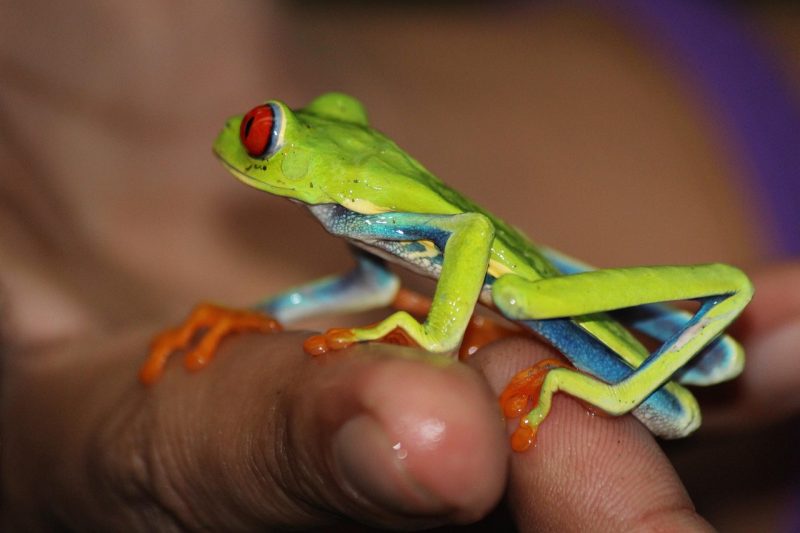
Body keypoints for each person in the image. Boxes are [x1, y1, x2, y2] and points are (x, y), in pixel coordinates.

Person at [2, 2, 798, 530]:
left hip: (573, 312)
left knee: (546, 292)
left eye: (259, 134)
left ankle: (631, 375)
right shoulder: (352, 214)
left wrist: (438, 334)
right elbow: (370, 285)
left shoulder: (372, 205)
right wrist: (261, 315)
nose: (244, 138)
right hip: (710, 101)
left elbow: (469, 234)